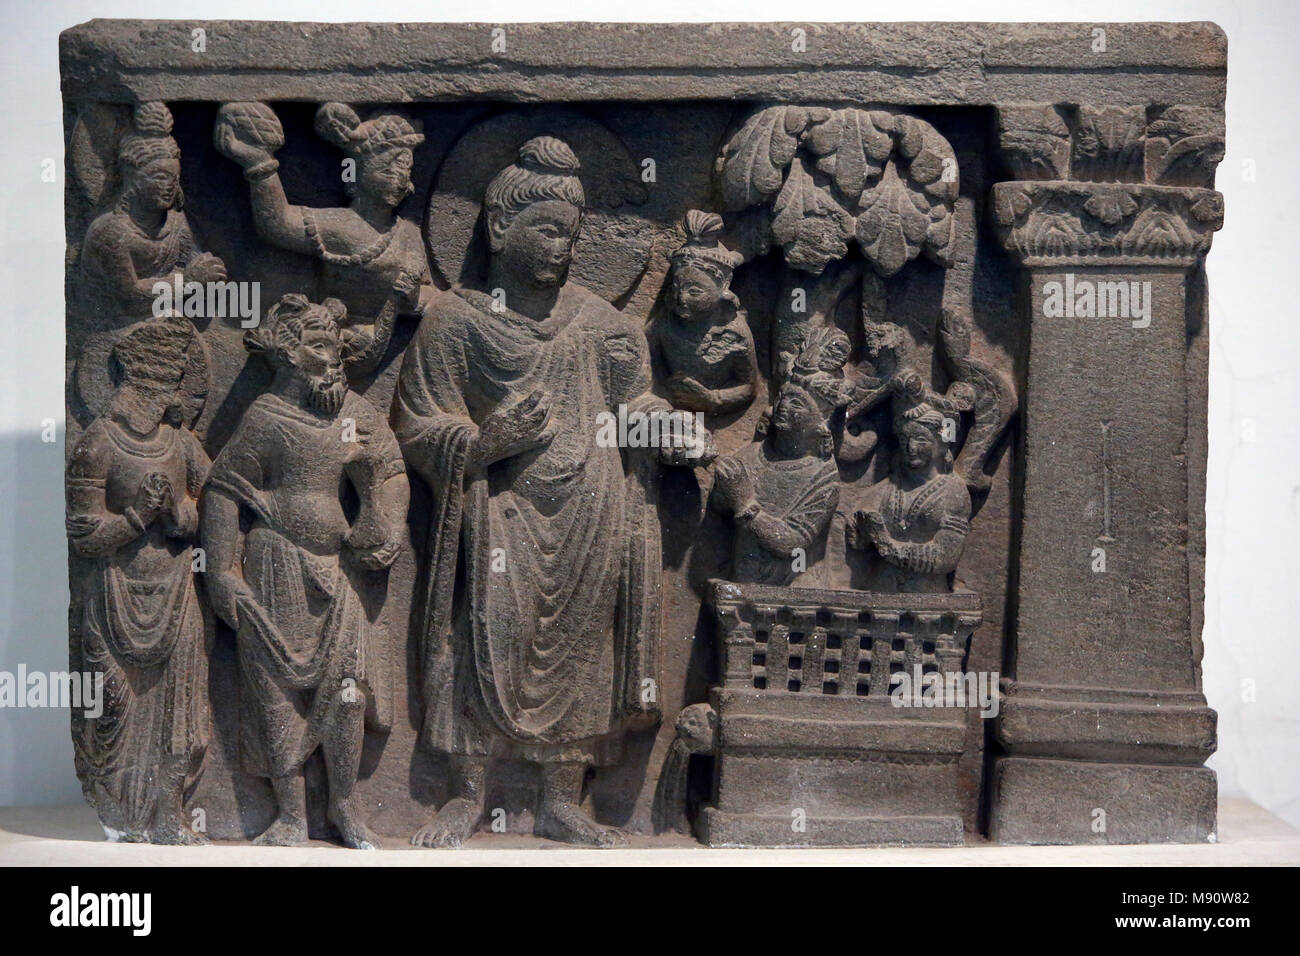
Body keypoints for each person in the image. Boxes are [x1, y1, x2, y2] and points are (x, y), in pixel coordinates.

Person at [394, 136, 700, 848]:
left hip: (592, 509)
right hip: (495, 512)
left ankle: (564, 800)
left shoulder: (604, 324)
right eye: (548, 230)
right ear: (500, 228)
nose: (563, 247)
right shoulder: (456, 323)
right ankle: (467, 793)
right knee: (481, 640)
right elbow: (415, 422)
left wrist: (672, 430)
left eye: (573, 233)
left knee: (580, 648)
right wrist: (480, 442)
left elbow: (637, 405)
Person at [201, 294, 409, 848]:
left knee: (348, 689)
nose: (334, 356)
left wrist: (387, 522)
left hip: (335, 571)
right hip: (274, 569)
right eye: (319, 346)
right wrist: (222, 568)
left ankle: (345, 806)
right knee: (274, 693)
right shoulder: (266, 419)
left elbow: (391, 470)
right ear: (290, 354)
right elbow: (223, 491)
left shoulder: (356, 415)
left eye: (336, 346)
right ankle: (291, 815)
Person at [66, 317, 211, 843]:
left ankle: (171, 810)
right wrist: (133, 519)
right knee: (113, 713)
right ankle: (121, 816)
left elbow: (210, 507)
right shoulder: (96, 442)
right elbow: (81, 535)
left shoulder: (183, 444)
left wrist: (178, 511)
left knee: (180, 710)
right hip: (113, 596)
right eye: (163, 384)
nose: (170, 396)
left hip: (175, 593)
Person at [215, 101, 432, 376]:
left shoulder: (409, 234)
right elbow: (277, 223)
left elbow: (431, 296)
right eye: (387, 170)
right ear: (357, 173)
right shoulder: (339, 226)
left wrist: (412, 296)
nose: (400, 180)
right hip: (326, 348)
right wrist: (259, 162)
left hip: (390, 350)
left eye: (406, 171)